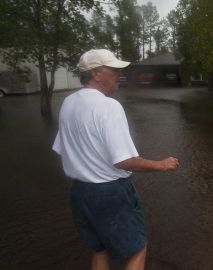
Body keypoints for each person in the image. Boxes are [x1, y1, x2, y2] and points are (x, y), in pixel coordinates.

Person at [52, 49, 179, 270]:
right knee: (137, 248)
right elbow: (124, 160)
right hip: (109, 193)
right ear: (95, 73)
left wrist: (89, 160)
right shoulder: (108, 106)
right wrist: (160, 165)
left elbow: (61, 148)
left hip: (80, 193)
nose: (119, 74)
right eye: (114, 70)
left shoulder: (68, 103)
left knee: (99, 249)